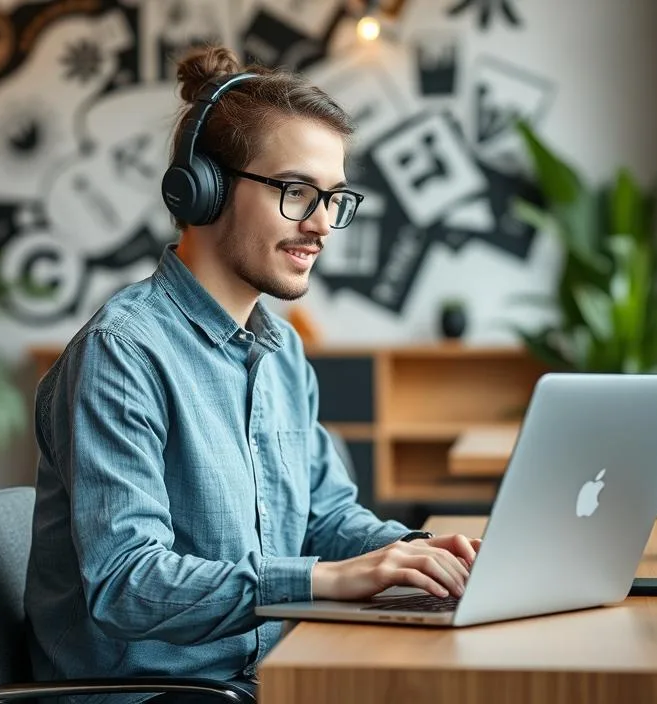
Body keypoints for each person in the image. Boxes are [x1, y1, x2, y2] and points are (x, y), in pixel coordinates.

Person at [24, 45, 480, 703]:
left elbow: (327, 519)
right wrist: (327, 581)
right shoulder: (123, 352)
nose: (323, 225)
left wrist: (424, 553)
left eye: (334, 199)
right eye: (298, 193)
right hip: (157, 695)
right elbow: (126, 584)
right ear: (203, 188)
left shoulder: (282, 352)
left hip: (265, 678)